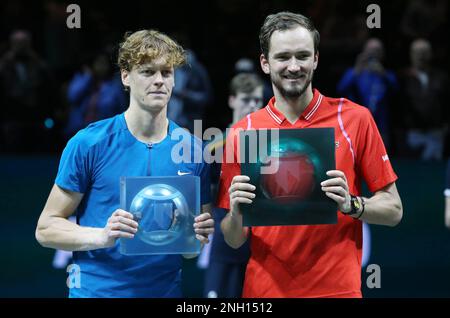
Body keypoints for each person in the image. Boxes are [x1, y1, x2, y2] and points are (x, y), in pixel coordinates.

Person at [218, 11, 403, 298]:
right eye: (283, 57)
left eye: (303, 56)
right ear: (265, 63)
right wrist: (236, 213)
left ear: (316, 59)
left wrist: (352, 205)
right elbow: (233, 239)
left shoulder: (354, 118)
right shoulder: (242, 133)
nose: (294, 66)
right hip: (264, 293)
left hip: (338, 291)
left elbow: (394, 211)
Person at [35, 30, 214, 298]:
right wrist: (102, 236)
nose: (159, 81)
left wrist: (197, 237)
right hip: (97, 293)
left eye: (166, 72)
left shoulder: (194, 150)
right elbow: (46, 228)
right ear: (125, 76)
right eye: (147, 72)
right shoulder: (89, 143)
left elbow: (191, 250)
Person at [202, 73, 263, 298]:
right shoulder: (213, 148)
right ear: (232, 100)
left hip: (262, 246)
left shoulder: (276, 146)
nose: (253, 105)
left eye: (258, 100)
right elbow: (201, 196)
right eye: (246, 99)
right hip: (223, 243)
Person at [337, 38, 398, 149]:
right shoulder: (354, 73)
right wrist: (357, 69)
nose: (373, 54)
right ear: (364, 52)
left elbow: (396, 92)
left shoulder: (388, 75)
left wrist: (382, 74)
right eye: (371, 50)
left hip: (381, 128)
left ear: (382, 54)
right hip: (358, 126)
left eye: (377, 50)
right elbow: (341, 89)